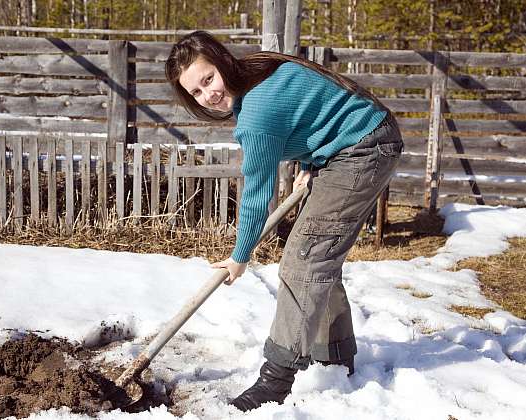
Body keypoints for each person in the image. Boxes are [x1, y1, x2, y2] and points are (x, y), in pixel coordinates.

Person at [165, 31, 403, 412]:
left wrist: (240, 255)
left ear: (222, 62)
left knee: (304, 258)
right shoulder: (257, 72)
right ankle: (336, 356)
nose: (207, 95)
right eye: (195, 92)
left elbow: (258, 194)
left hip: (363, 147)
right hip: (357, 141)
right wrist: (313, 160)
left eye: (207, 79)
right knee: (319, 257)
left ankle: (276, 380)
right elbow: (314, 108)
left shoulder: (255, 114)